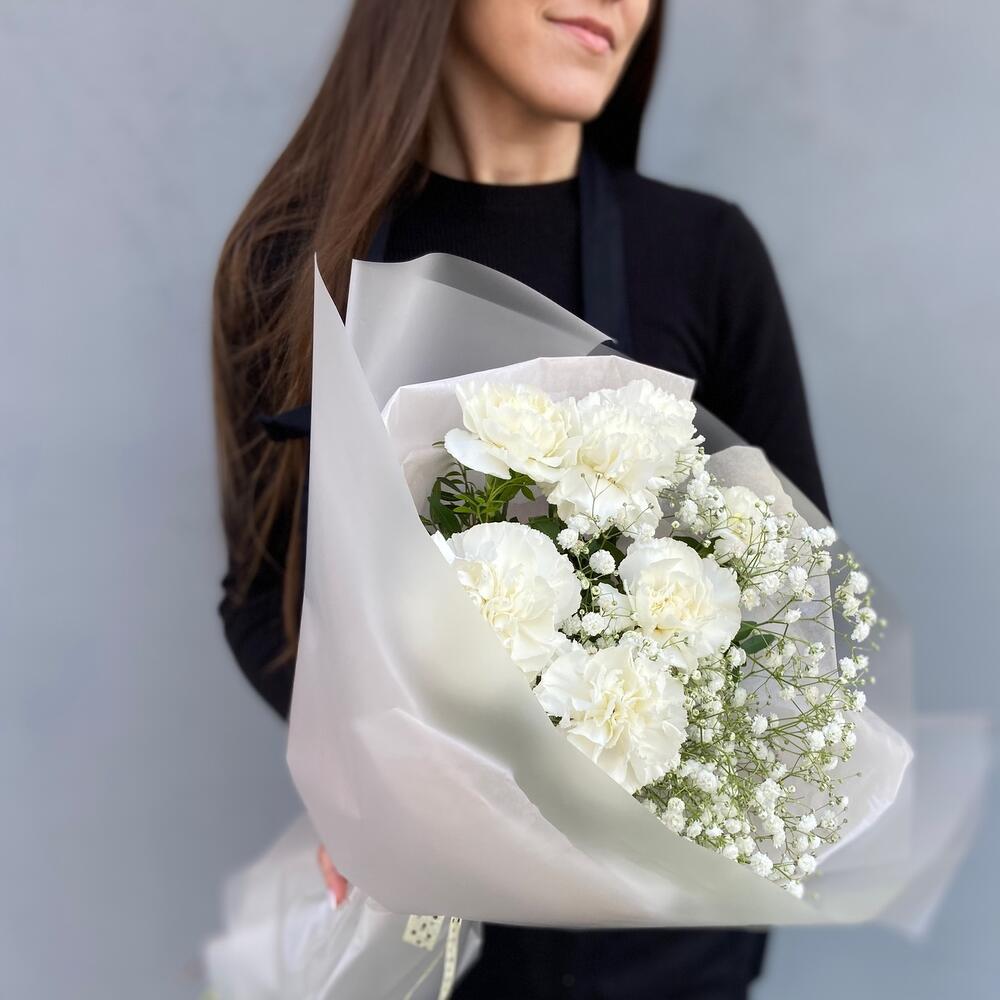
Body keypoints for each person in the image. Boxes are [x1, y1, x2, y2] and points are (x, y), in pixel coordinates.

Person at [212, 2, 829, 996]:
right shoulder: (294, 262)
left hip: (662, 946)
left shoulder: (703, 255)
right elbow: (261, 595)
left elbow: (797, 609)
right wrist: (368, 775)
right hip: (429, 930)